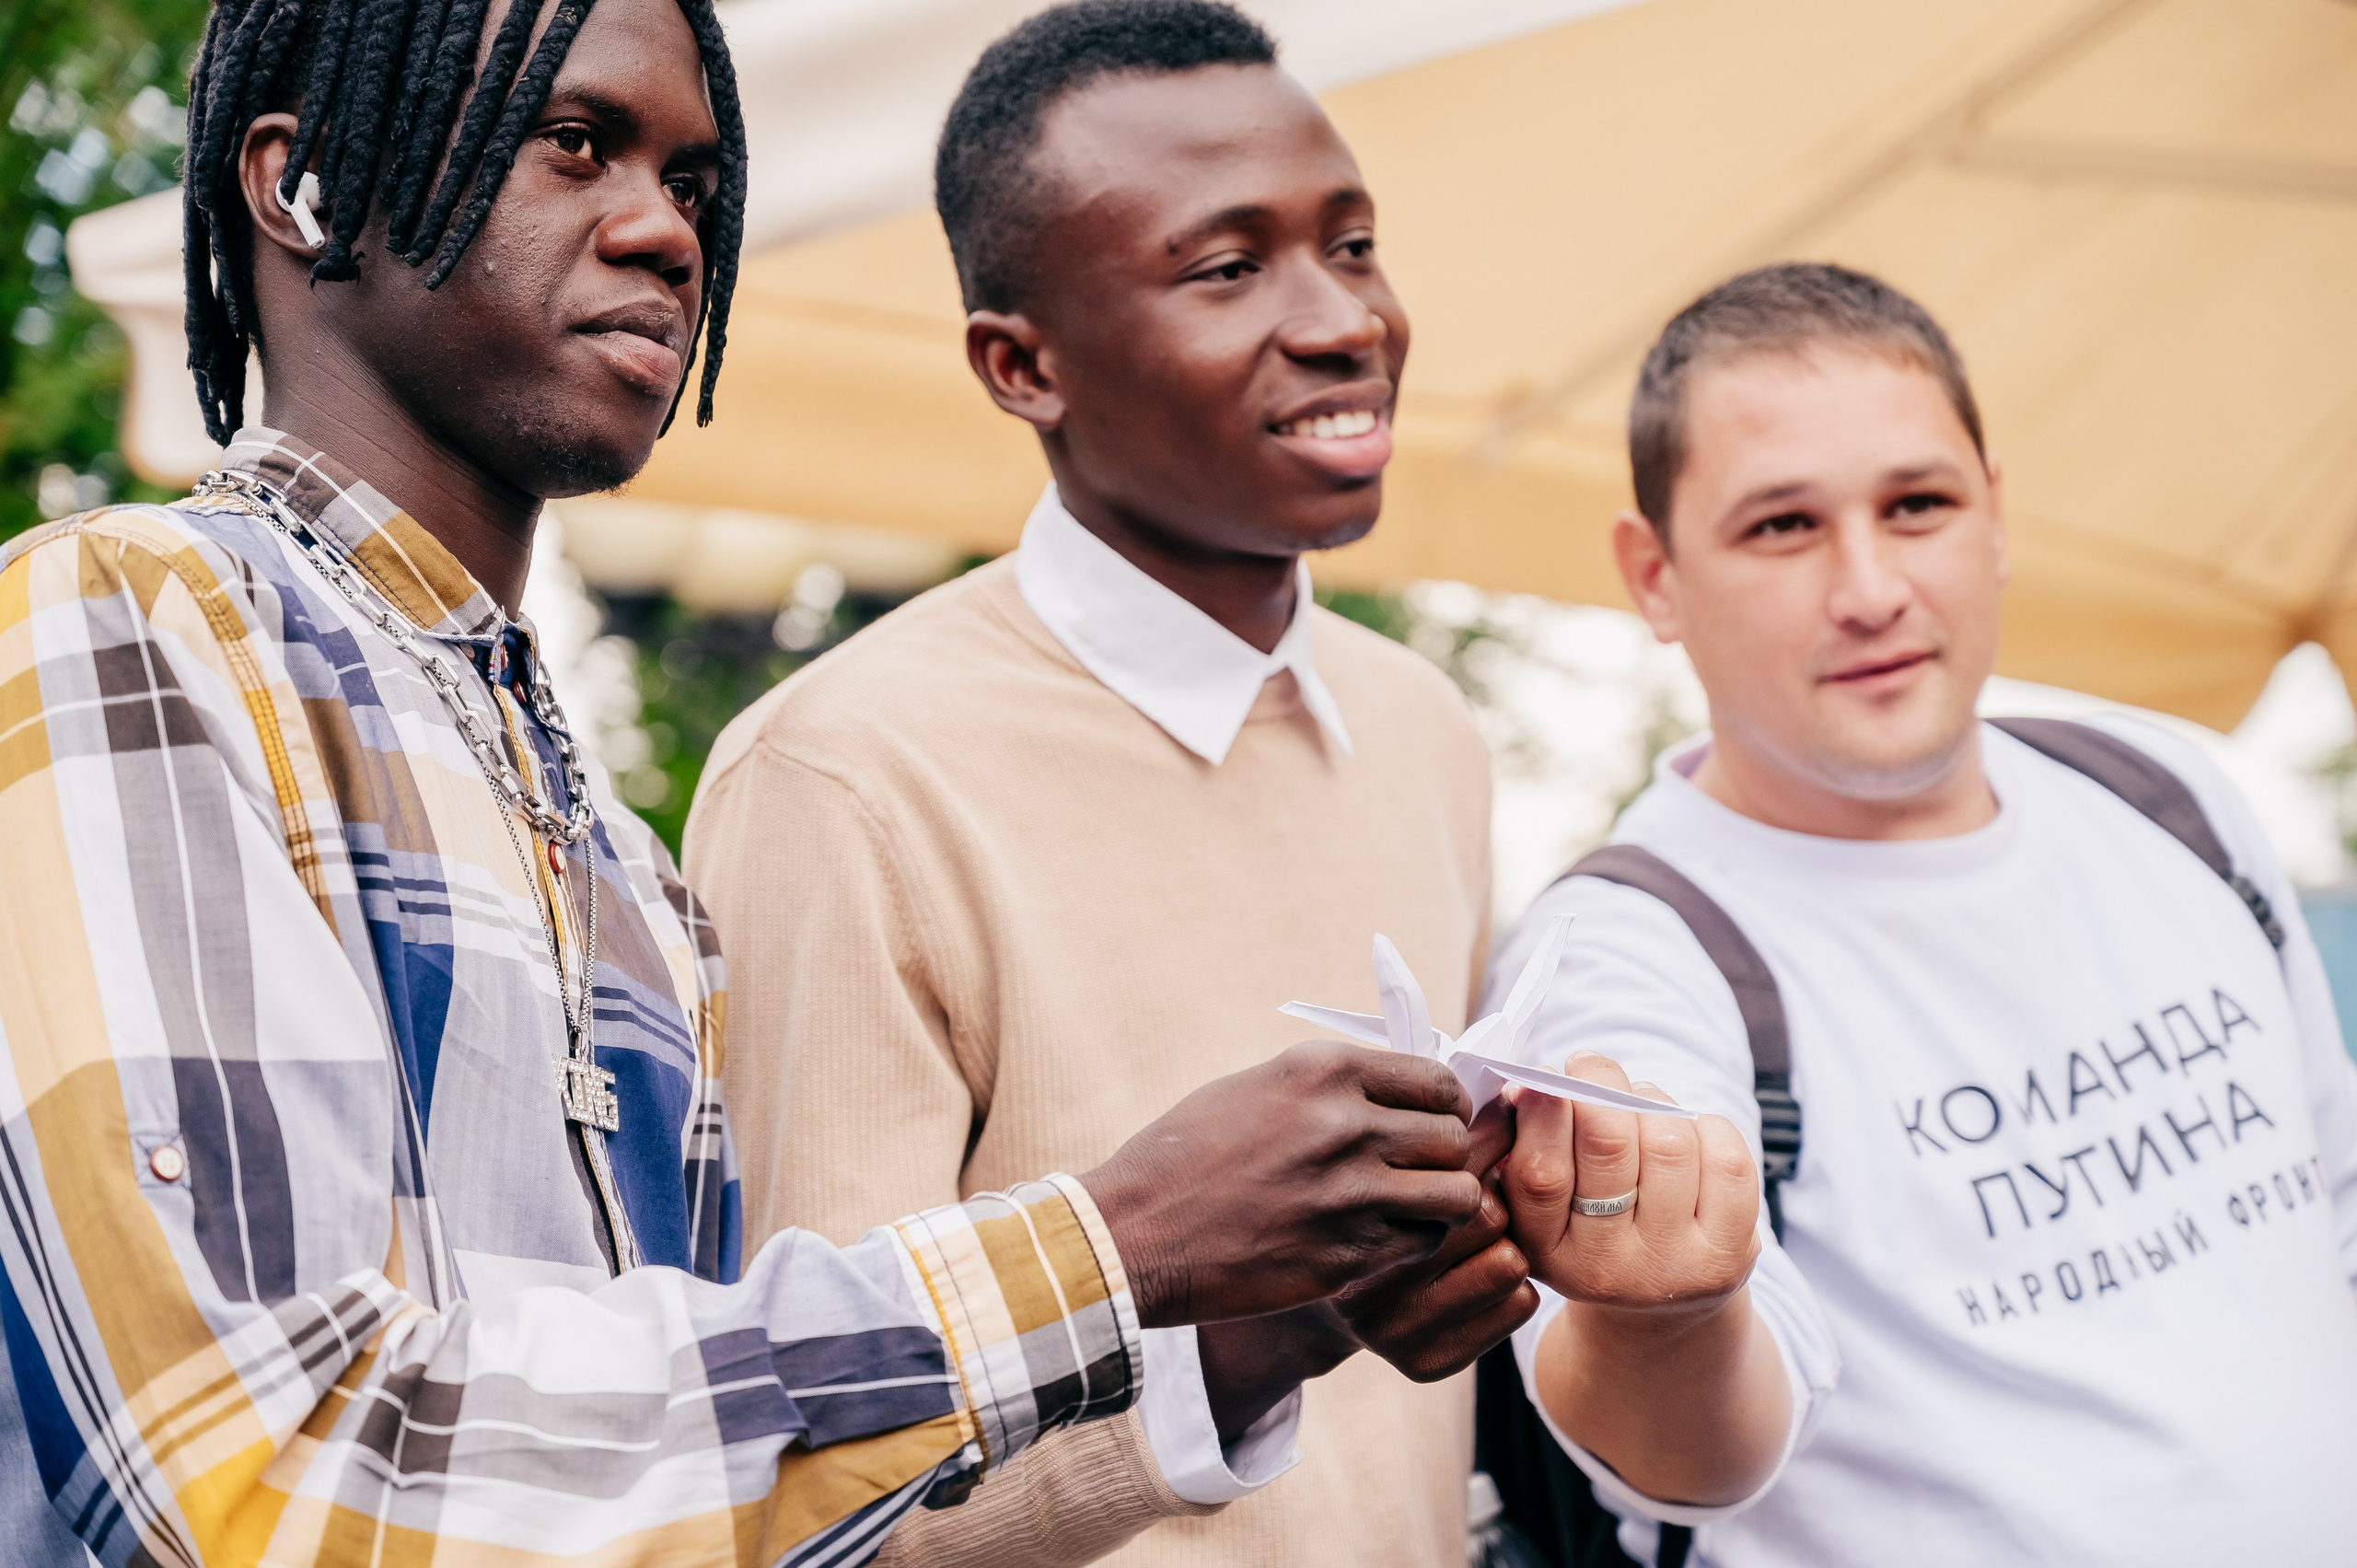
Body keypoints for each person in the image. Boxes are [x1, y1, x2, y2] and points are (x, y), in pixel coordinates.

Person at [0, 0, 1507, 1561]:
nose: (664, 230)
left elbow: (709, 1494)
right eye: (576, 145)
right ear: (296, 186)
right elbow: (246, 1478)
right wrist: (1116, 1243)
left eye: (699, 188)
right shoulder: (123, 622)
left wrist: (1238, 1327)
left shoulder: (610, 858)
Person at [690, 6, 1764, 1564]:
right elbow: (816, 1488)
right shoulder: (841, 780)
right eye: (1227, 268)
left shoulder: (1422, 732)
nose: (1345, 321)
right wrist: (1240, 1352)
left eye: (1353, 243)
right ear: (1023, 365)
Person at [1492, 261, 2357, 1566]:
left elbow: (2333, 1204)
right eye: (1782, 526)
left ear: (1996, 514)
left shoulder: (2167, 792)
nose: (1871, 588)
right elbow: (1691, 1467)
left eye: (1918, 505)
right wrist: (1662, 1315)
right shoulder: (1619, 957)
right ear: (1654, 576)